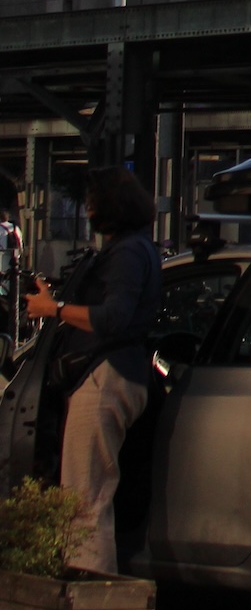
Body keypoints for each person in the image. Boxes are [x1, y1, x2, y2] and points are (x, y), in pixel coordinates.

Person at [28, 171, 163, 575]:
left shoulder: (125, 253)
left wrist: (53, 310)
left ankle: (89, 596)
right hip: (128, 373)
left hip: (105, 378)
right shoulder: (141, 249)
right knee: (96, 493)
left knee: (85, 499)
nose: (87, 208)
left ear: (113, 205)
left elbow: (113, 317)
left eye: (93, 200)